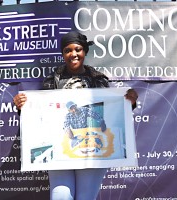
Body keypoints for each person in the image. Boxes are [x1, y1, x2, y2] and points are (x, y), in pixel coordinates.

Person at [13, 31, 138, 200]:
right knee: (61, 196)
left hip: (93, 149)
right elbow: (41, 114)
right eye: (67, 50)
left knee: (85, 197)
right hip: (61, 149)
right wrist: (23, 107)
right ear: (63, 54)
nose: (73, 54)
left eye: (78, 49)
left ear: (84, 51)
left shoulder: (99, 80)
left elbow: (109, 111)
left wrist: (127, 102)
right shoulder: (51, 81)